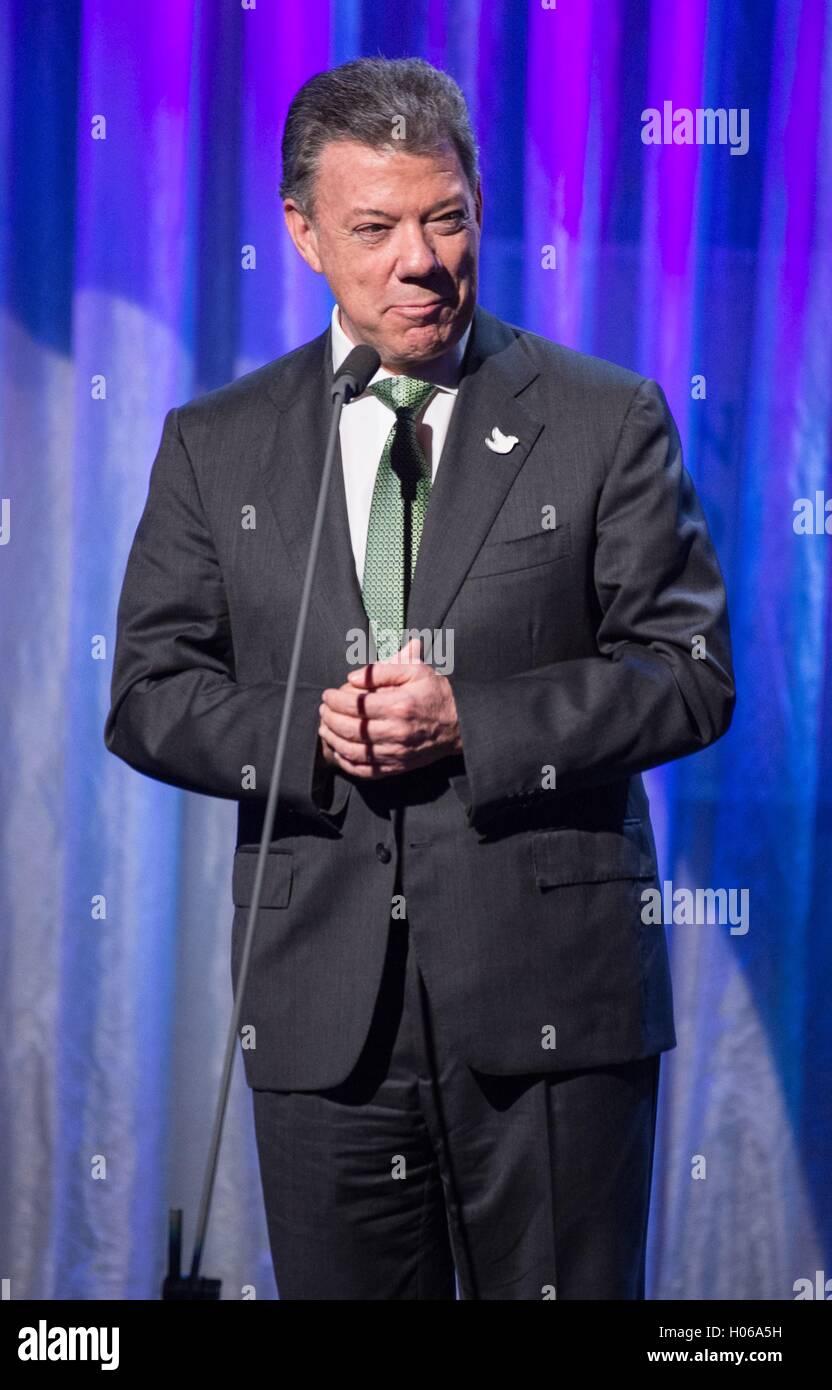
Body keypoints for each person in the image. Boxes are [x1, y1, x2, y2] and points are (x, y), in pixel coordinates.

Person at [104, 56, 735, 1300]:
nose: (420, 260)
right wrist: (303, 739)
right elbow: (145, 688)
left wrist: (477, 721)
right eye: (375, 228)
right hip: (321, 1013)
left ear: (480, 211)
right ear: (301, 232)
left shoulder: (607, 419)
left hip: (550, 1003)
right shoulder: (214, 441)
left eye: (446, 218)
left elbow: (688, 672)